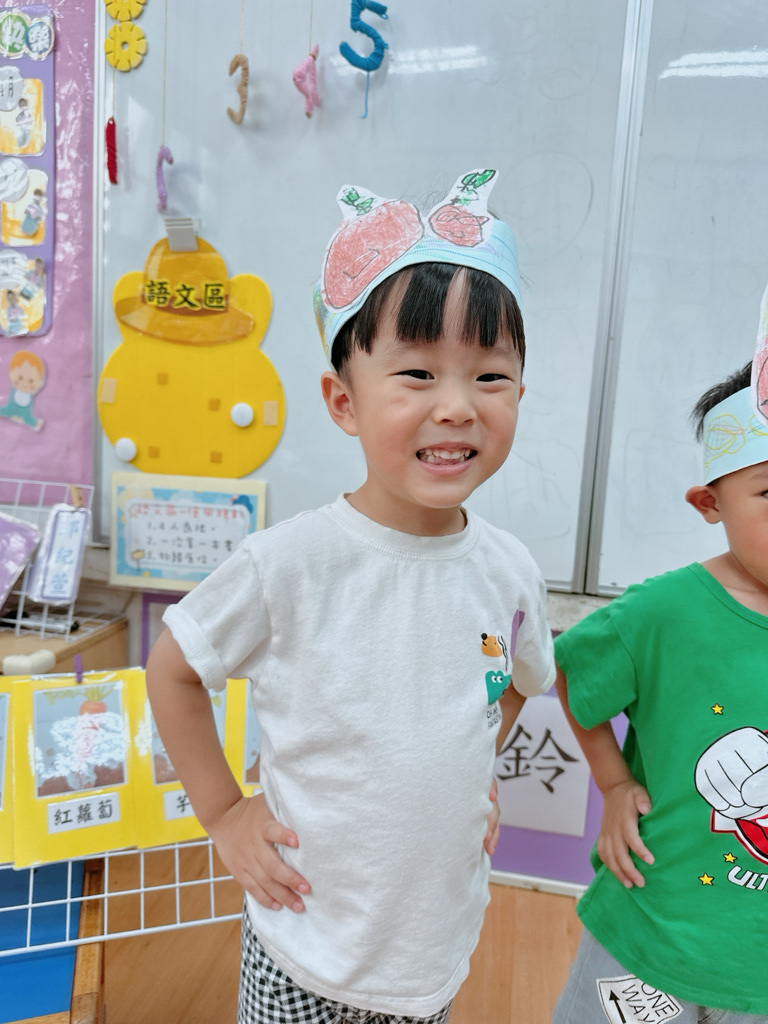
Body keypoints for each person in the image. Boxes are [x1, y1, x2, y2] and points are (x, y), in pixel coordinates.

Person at [146, 167, 555, 1023]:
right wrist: (223, 814)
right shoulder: (289, 563)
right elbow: (175, 668)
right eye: (417, 373)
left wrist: (473, 775)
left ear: (520, 394)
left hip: (432, 948)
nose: (457, 406)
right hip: (301, 940)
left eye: (490, 377)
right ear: (344, 401)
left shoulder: (509, 569)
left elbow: (517, 680)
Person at [552, 357, 768, 1023]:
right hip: (650, 934)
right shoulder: (663, 612)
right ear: (711, 503)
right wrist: (616, 784)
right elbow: (573, 670)